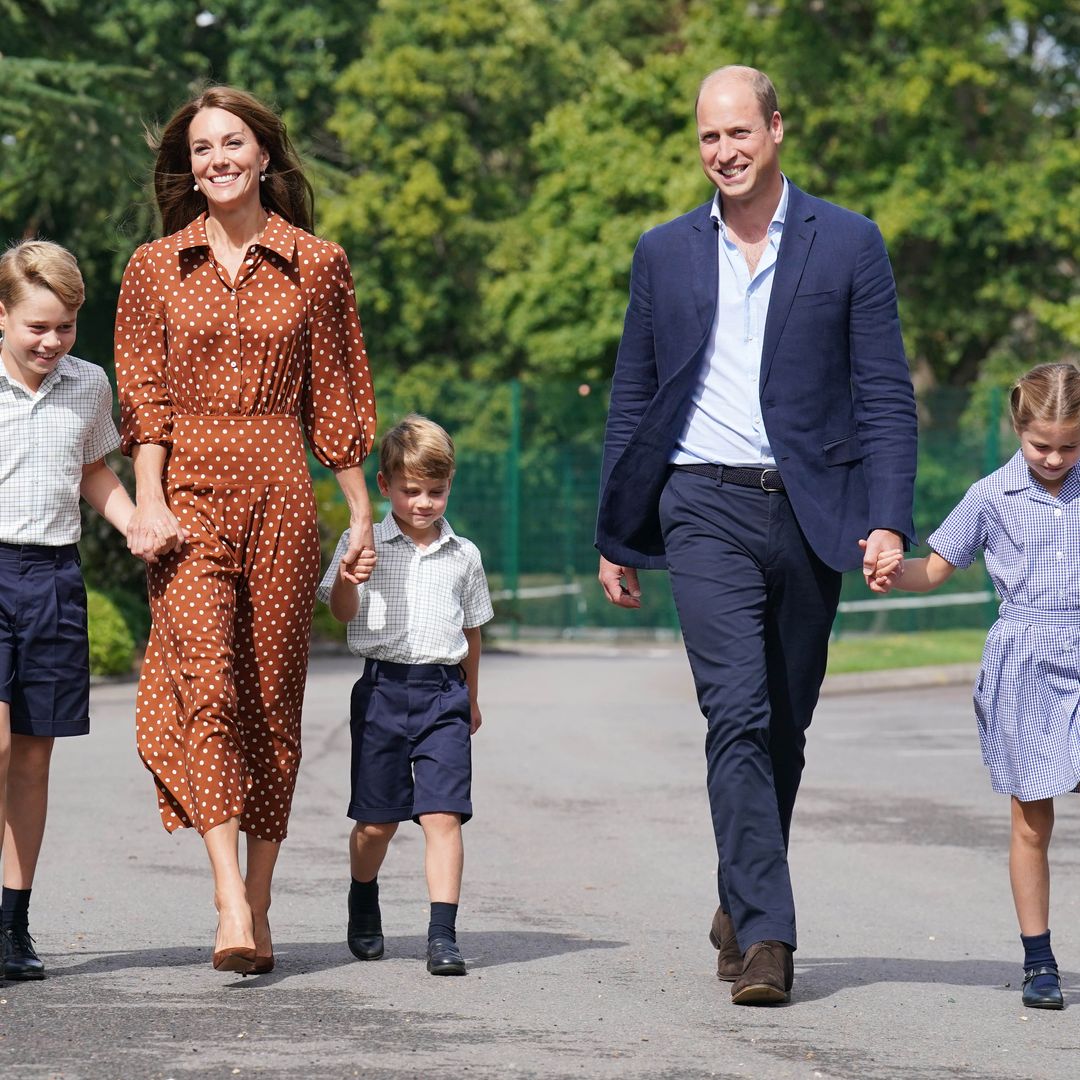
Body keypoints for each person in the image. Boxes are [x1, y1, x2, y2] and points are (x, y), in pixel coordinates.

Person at [595, 65, 918, 1004]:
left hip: (813, 512)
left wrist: (888, 517)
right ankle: (770, 940)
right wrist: (619, 527)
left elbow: (886, 394)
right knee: (733, 711)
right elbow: (633, 397)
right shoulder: (663, 254)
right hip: (701, 506)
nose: (724, 152)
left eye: (739, 133)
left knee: (784, 724)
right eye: (708, 138)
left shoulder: (850, 243)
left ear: (777, 128)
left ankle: (741, 897)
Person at [114, 86, 377, 976]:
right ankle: (228, 892)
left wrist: (361, 509)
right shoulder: (154, 267)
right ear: (187, 167)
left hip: (281, 494)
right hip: (187, 499)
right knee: (209, 686)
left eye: (233, 143)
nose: (216, 159)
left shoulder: (318, 263)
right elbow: (142, 405)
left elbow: (336, 394)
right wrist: (147, 501)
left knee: (272, 700)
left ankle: (260, 899)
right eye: (200, 149)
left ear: (265, 155)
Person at [865, 363, 1080, 1012]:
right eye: (1041, 444)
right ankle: (1039, 961)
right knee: (1032, 821)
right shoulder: (990, 496)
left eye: (1070, 445)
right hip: (1025, 663)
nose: (1054, 458)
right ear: (1018, 428)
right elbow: (932, 569)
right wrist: (886, 570)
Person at [1, 240, 143, 980]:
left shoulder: (88, 386)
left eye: (65, 326)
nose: (52, 341)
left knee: (31, 755)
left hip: (53, 577)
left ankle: (13, 927)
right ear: (2, 315)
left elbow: (94, 469)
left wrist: (136, 522)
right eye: (36, 327)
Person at [317, 414, 493, 976]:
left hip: (443, 694)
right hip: (382, 692)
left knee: (443, 816)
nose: (423, 503)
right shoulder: (361, 542)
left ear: (450, 486)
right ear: (385, 487)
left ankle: (442, 935)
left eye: (436, 491)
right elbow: (340, 614)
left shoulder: (464, 555)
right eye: (410, 490)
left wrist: (471, 695)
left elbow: (472, 632)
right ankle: (363, 894)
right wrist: (349, 578)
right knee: (377, 824)